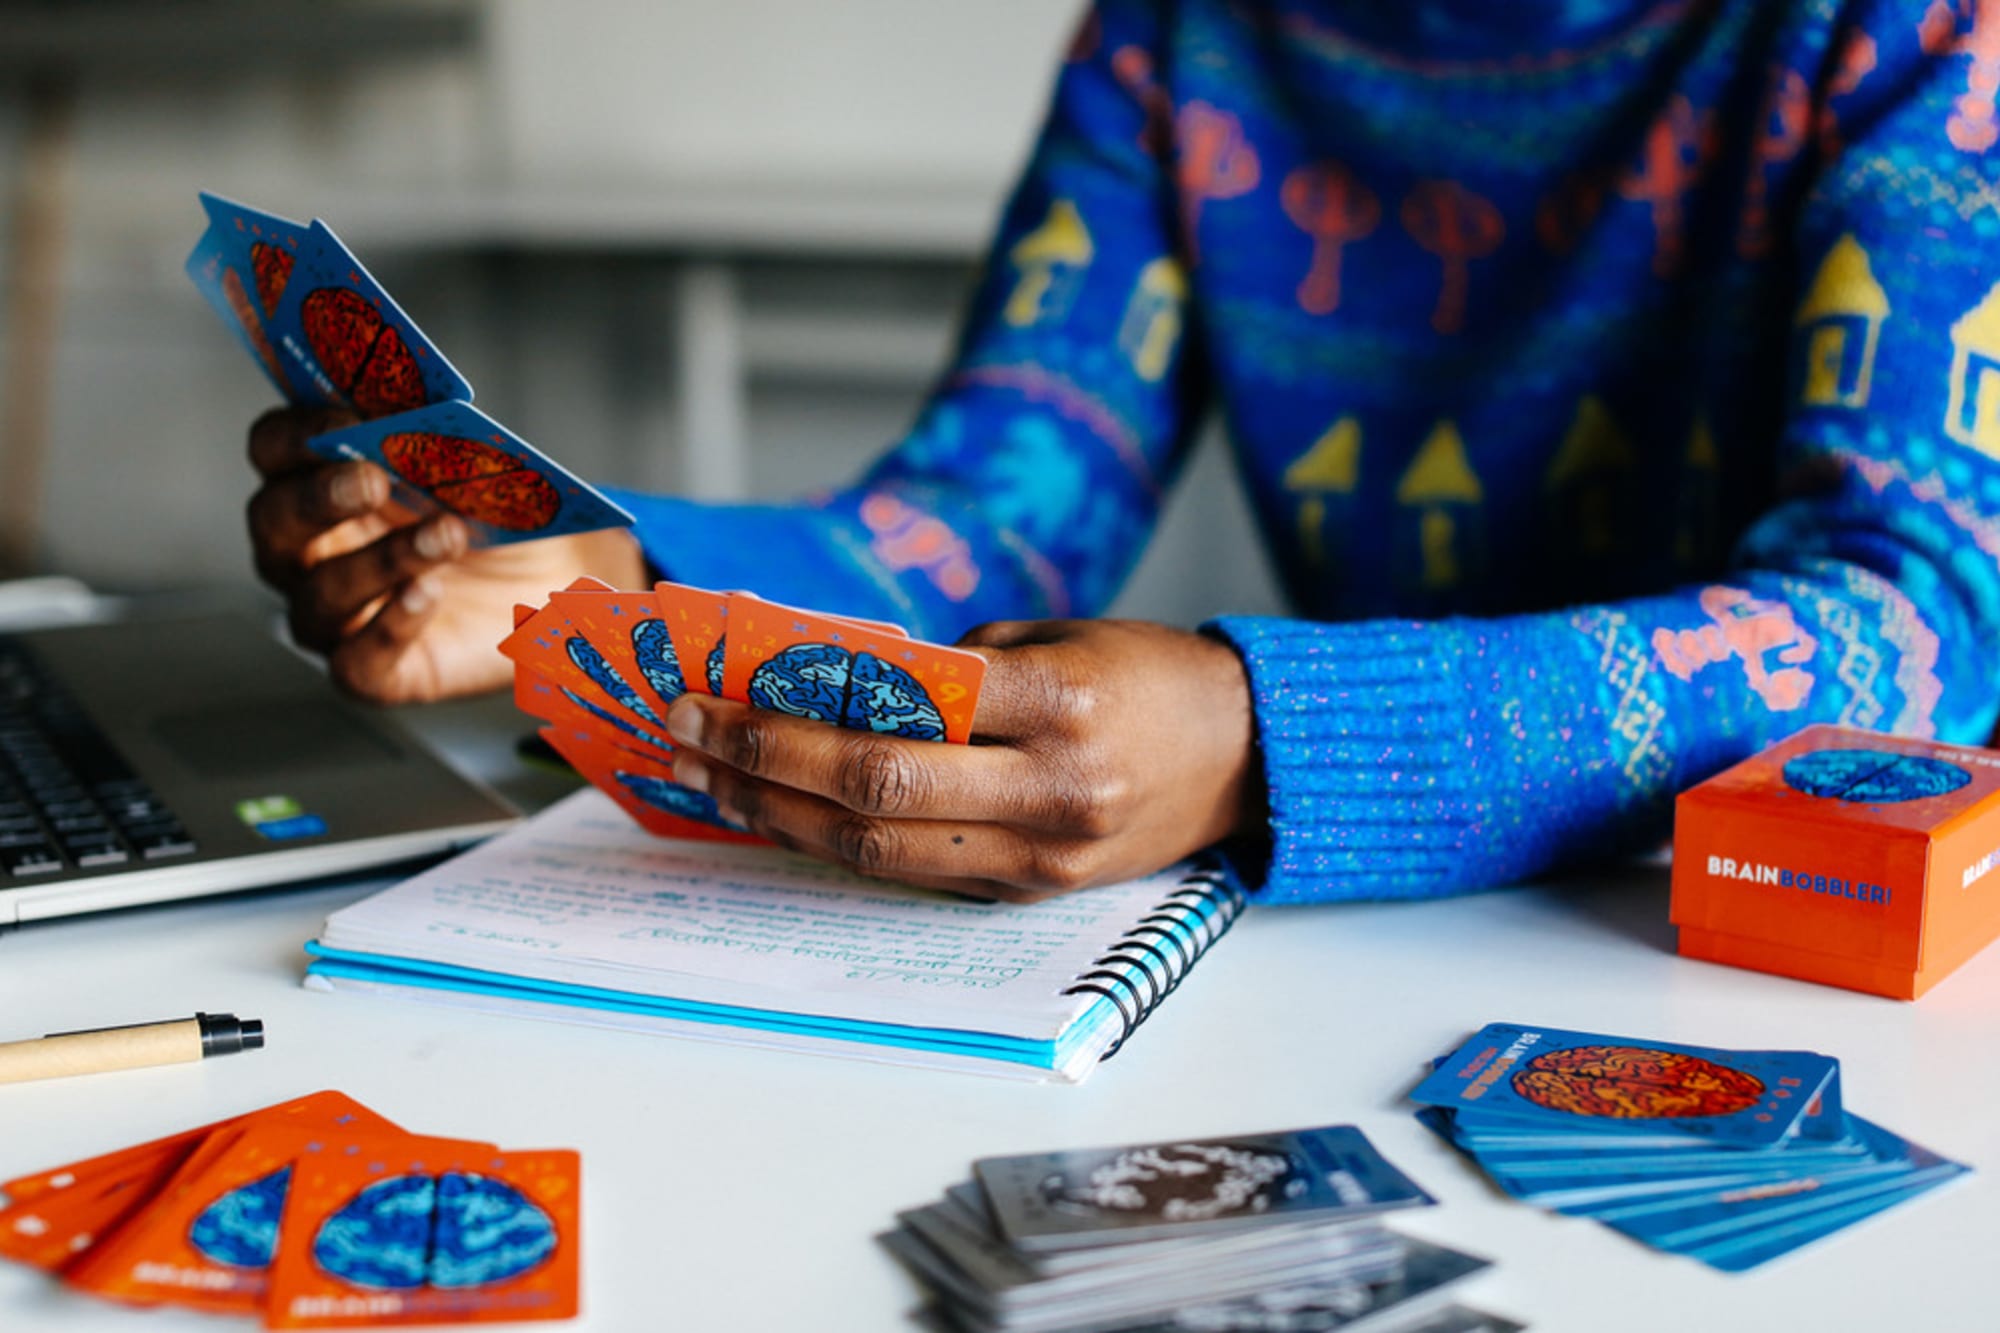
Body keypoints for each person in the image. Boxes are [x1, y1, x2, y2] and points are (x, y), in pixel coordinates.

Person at [245, 0, 2000, 905]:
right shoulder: (1181, 34)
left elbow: (1918, 622)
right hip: (1378, 955)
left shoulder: (1914, 28)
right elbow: (996, 510)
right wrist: (617, 573)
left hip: (1798, 946)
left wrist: (1264, 738)